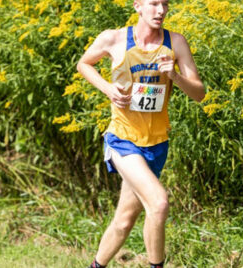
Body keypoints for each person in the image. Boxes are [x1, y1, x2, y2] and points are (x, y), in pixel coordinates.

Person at [77, 0, 204, 267]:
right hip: (122, 139)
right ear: (138, 6)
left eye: (165, 4)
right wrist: (108, 89)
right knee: (158, 204)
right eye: (154, 3)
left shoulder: (176, 43)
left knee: (124, 220)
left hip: (157, 144)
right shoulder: (114, 38)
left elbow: (200, 94)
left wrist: (176, 77)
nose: (161, 11)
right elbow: (84, 64)